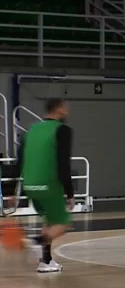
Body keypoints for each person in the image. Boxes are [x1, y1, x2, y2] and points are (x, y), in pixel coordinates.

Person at [10, 98, 74, 273]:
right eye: (65, 108)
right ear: (59, 109)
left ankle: (46, 261)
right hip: (49, 185)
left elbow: (19, 162)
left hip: (30, 186)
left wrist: (14, 191)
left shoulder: (31, 130)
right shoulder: (62, 130)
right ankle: (35, 242)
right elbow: (63, 163)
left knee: (49, 221)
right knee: (63, 224)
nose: (67, 112)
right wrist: (70, 193)